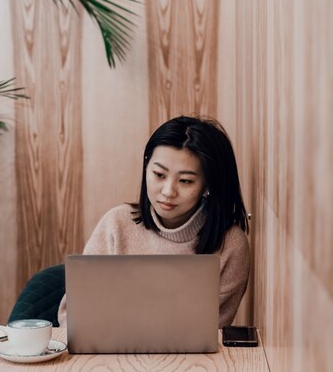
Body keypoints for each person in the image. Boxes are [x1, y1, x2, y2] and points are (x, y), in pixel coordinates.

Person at [58, 116, 250, 327]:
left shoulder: (231, 244)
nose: (168, 192)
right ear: (146, 168)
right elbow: (74, 316)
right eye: (159, 174)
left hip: (189, 360)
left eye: (185, 181)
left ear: (208, 185)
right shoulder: (116, 223)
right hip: (106, 357)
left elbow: (213, 332)